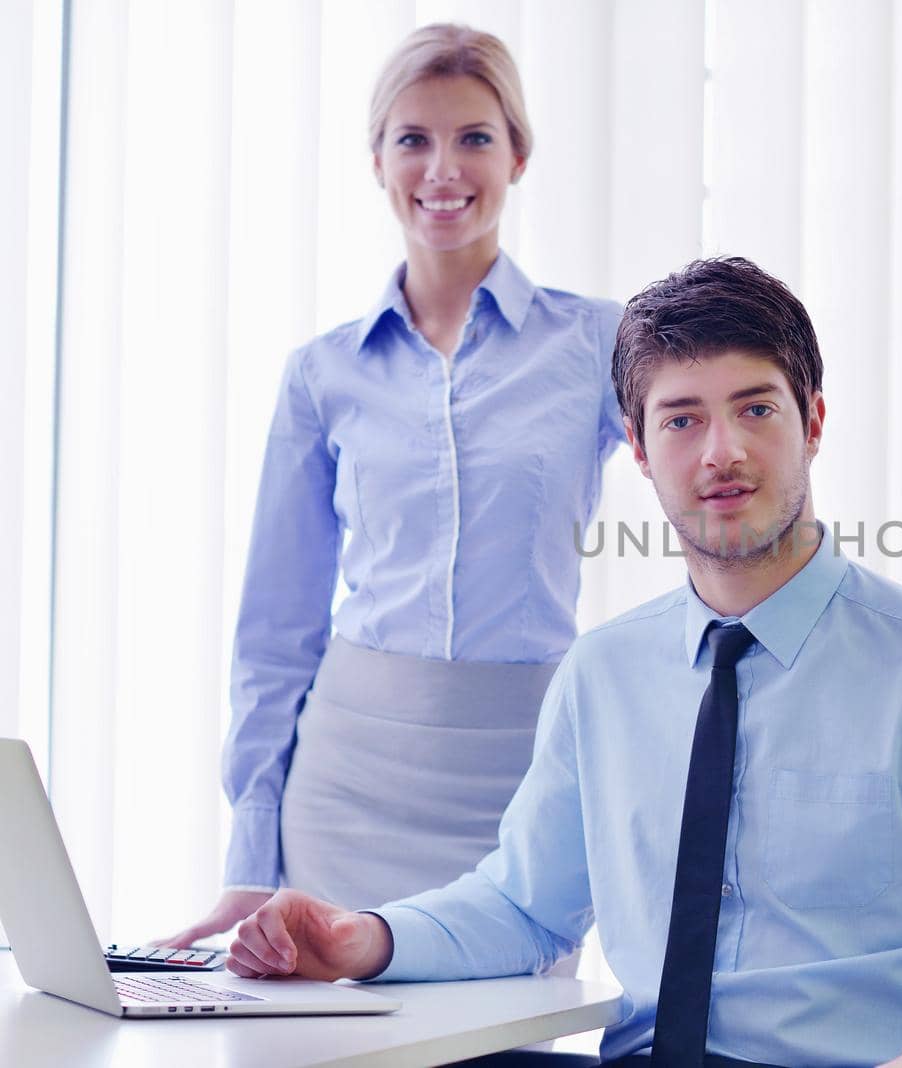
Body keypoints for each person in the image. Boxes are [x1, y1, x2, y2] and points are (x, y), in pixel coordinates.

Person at [225, 258, 902, 1067]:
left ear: (814, 421)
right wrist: (366, 937)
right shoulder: (600, 678)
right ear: (636, 447)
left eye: (756, 408)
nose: (722, 452)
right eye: (680, 420)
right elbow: (522, 908)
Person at [161, 24, 626, 948]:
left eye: (475, 138)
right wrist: (251, 854)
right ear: (377, 160)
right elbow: (274, 633)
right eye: (413, 138)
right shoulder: (321, 374)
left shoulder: (599, 345)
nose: (442, 168)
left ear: (519, 155)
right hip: (347, 783)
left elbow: (707, 465)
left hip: (521, 780)